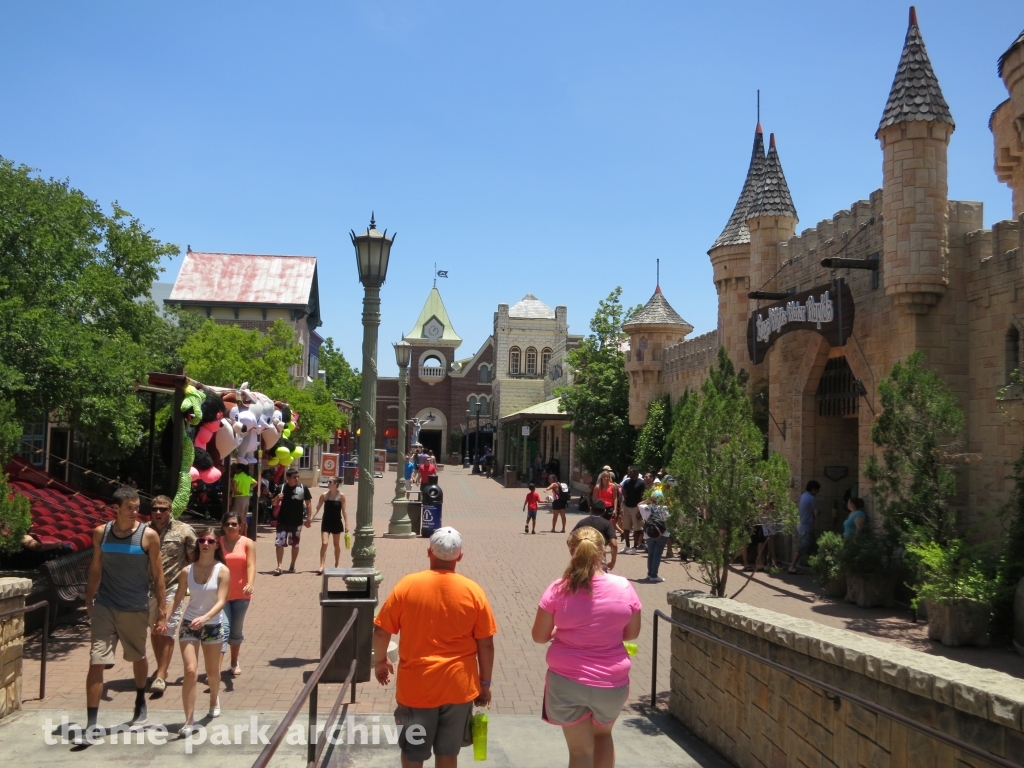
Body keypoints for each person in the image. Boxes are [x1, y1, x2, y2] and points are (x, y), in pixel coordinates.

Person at [373, 527, 497, 768]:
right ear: (460, 556)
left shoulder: (408, 585)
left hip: (416, 687)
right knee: (448, 754)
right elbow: (487, 644)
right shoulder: (473, 592)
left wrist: (380, 660)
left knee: (413, 754)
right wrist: (485, 685)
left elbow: (380, 631)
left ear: (429, 552)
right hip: (458, 687)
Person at [532, 526, 642, 767]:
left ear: (572, 551)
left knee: (580, 753)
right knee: (603, 735)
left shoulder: (558, 588)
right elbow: (631, 634)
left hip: (566, 681)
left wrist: (559, 631)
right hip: (612, 681)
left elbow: (539, 636)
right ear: (602, 551)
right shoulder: (624, 587)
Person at [82, 487, 166, 738]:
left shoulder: (148, 536)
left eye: (137, 506)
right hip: (105, 605)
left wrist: (162, 611)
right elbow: (96, 568)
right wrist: (89, 599)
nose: (135, 512)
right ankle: (91, 724)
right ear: (116, 509)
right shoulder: (101, 533)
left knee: (137, 657)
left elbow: (158, 575)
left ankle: (140, 698)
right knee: (96, 661)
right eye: (129, 507)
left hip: (135, 607)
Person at [168, 528, 230, 736]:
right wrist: (164, 619)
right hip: (189, 625)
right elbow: (177, 599)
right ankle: (189, 720)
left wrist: (204, 618)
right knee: (190, 671)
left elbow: (221, 601)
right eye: (202, 540)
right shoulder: (187, 571)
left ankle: (214, 699)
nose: (205, 544)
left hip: (212, 625)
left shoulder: (222, 570)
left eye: (210, 541)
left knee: (212, 673)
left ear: (216, 545)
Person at [147, 494, 197, 696]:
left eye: (163, 509)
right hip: (148, 588)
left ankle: (161, 674)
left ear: (170, 511)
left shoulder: (184, 531)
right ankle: (161, 667)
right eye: (155, 509)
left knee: (166, 628)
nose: (158, 512)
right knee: (155, 629)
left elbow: (194, 558)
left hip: (173, 588)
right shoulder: (143, 530)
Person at [219, 511, 255, 677]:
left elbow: (250, 565)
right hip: (221, 594)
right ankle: (216, 671)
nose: (231, 527)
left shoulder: (247, 543)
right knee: (222, 629)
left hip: (241, 594)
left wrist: (250, 583)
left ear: (240, 525)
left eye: (234, 524)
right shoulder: (217, 543)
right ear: (223, 526)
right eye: (227, 524)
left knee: (236, 631)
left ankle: (234, 661)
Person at [272, 467, 312, 575]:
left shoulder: (303, 488)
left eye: (298, 476)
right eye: (294, 477)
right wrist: (277, 498)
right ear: (288, 478)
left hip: (297, 521)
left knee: (295, 544)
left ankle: (292, 565)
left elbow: (308, 503)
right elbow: (273, 503)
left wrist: (309, 518)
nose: (297, 479)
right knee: (279, 542)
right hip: (282, 520)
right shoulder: (281, 488)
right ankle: (279, 566)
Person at [572, 498, 619, 572]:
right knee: (600, 579)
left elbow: (570, 540)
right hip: (599, 558)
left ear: (591, 509)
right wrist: (613, 561)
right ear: (604, 511)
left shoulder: (582, 522)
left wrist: (574, 554)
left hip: (582, 556)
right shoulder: (607, 524)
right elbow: (614, 544)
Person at [316, 477, 349, 575]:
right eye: (328, 481)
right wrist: (310, 518)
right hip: (326, 522)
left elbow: (344, 510)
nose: (328, 483)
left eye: (330, 482)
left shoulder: (341, 496)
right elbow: (317, 508)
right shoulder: (324, 495)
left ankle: (336, 564)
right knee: (324, 543)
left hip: (336, 522)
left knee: (336, 545)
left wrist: (347, 523)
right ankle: (321, 565)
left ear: (336, 484)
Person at [789, 480, 820, 574]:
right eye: (817, 490)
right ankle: (792, 567)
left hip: (802, 525)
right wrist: (819, 512)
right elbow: (816, 513)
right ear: (814, 489)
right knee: (801, 547)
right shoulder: (811, 498)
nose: (818, 492)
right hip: (806, 526)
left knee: (813, 547)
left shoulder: (803, 495)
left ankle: (817, 567)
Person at [641, 490, 669, 583]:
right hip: (662, 533)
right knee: (657, 554)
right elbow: (667, 519)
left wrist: (648, 500)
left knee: (651, 553)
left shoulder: (645, 507)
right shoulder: (664, 508)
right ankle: (654, 575)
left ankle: (649, 574)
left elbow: (639, 504)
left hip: (649, 533)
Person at [619, 467, 647, 555]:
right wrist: (622, 507)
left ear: (636, 473)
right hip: (627, 507)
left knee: (637, 528)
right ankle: (627, 545)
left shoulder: (642, 483)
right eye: (629, 472)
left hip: (636, 508)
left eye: (631, 472)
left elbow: (644, 496)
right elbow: (624, 493)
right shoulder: (627, 482)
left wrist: (640, 510)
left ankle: (634, 547)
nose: (629, 473)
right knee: (626, 527)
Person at [230, 465, 257, 537]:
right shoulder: (248, 477)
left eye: (236, 468)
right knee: (244, 517)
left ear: (240, 469)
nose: (235, 470)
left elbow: (234, 483)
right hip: (246, 498)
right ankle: (244, 534)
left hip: (239, 498)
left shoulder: (238, 476)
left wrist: (235, 491)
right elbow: (255, 482)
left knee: (237, 516)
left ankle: (238, 534)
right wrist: (249, 488)